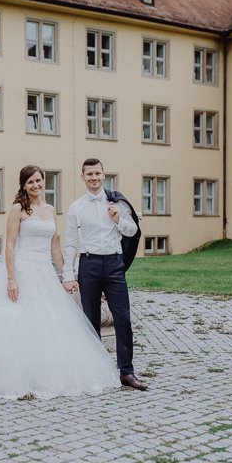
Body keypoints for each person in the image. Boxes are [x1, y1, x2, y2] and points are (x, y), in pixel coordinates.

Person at [0, 165, 119, 399]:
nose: (36, 185)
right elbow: (9, 246)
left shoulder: (50, 210)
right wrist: (11, 279)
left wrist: (65, 274)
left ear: (43, 182)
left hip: (44, 273)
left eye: (38, 180)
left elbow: (54, 247)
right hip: (22, 270)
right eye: (30, 182)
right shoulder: (18, 209)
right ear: (23, 185)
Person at [62, 158, 148, 391]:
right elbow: (70, 243)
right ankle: (96, 371)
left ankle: (127, 372)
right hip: (88, 264)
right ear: (82, 177)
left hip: (113, 263)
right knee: (91, 321)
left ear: (103, 175)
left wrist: (118, 218)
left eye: (97, 173)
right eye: (89, 174)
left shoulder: (117, 202)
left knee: (123, 318)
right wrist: (67, 274)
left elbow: (133, 230)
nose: (94, 178)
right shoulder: (76, 207)